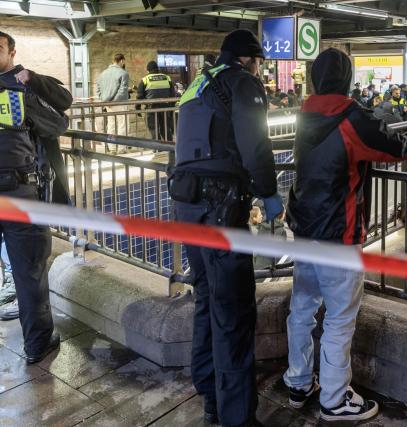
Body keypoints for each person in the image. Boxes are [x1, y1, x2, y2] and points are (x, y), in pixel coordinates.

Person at [283, 48, 407, 422]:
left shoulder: (304, 112)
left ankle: (298, 383)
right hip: (338, 234)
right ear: (346, 78)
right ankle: (334, 398)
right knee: (340, 318)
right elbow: (393, 147)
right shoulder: (350, 116)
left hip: (304, 226)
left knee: (303, 309)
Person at [171, 29, 282, 426]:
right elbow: (256, 145)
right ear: (250, 59)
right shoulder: (242, 82)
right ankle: (236, 416)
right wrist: (268, 193)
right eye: (260, 63)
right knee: (233, 307)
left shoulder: (198, 84)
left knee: (206, 295)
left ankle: (209, 393)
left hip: (185, 203)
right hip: (220, 206)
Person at [0, 31, 73, 361]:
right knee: (29, 271)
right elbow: (57, 124)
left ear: (11, 50)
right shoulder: (17, 90)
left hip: (16, 189)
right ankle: (38, 344)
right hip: (18, 193)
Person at [136, 61, 175, 141]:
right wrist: (171, 107)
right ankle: (170, 147)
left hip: (151, 108)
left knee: (154, 128)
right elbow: (172, 93)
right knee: (165, 128)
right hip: (165, 107)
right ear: (157, 69)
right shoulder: (167, 78)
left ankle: (158, 148)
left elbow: (139, 96)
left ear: (148, 70)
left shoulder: (145, 79)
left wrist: (138, 109)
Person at [96, 53, 130, 140]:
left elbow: (98, 90)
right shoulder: (123, 73)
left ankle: (112, 147)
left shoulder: (102, 73)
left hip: (108, 104)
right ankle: (121, 147)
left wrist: (105, 101)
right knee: (122, 124)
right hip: (120, 103)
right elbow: (122, 90)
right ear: (122, 61)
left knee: (111, 124)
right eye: (123, 62)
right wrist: (114, 101)